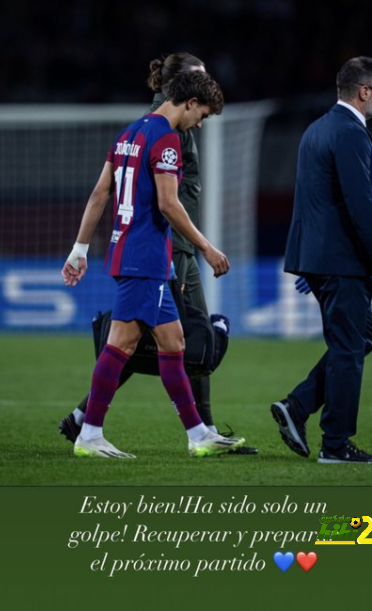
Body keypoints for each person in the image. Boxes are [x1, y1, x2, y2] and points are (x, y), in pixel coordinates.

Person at [59, 52, 257, 454]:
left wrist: (80, 249)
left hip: (141, 255)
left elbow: (101, 193)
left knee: (174, 344)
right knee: (121, 346)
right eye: (201, 115)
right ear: (189, 103)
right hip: (144, 255)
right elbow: (168, 203)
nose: (199, 124)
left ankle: (199, 435)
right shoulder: (166, 140)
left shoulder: (129, 132)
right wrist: (207, 247)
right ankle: (89, 433)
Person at [271, 56, 372, 464]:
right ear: (364, 92)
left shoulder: (317, 129)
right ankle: (336, 445)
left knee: (359, 339)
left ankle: (298, 405)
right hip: (344, 261)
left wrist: (313, 261)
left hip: (327, 257)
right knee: (349, 347)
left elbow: (314, 199)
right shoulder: (348, 133)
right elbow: (359, 202)